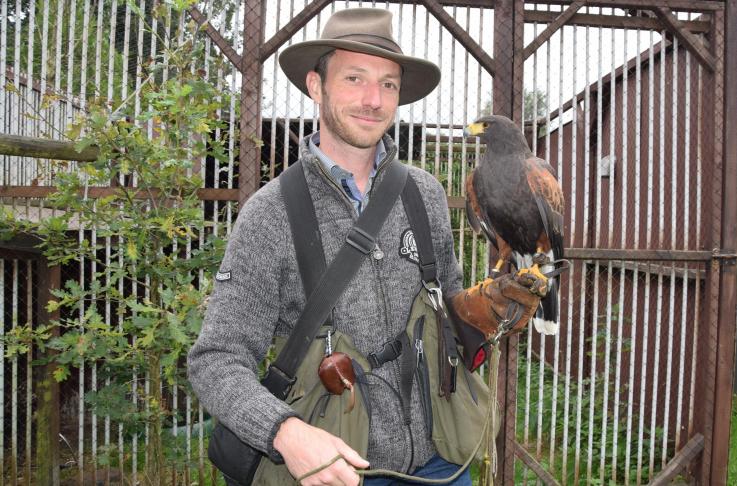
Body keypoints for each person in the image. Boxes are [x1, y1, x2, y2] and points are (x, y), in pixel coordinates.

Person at [189, 8, 542, 486]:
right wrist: (284, 432)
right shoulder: (270, 214)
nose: (373, 99)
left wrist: (484, 312)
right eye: (354, 78)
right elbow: (216, 360)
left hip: (440, 462)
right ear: (316, 86)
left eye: (389, 84)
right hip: (331, 469)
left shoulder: (425, 194)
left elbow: (449, 311)